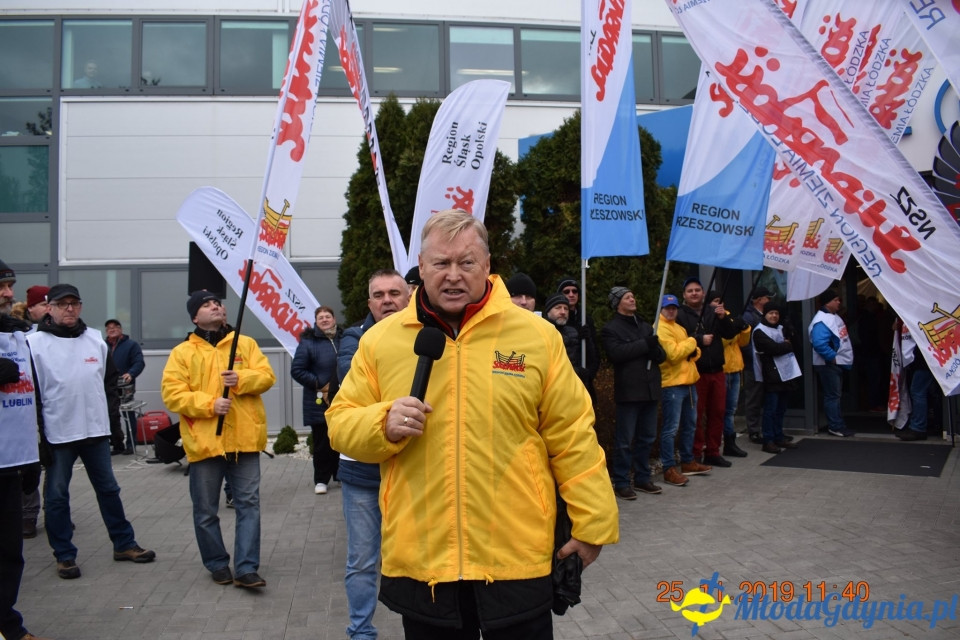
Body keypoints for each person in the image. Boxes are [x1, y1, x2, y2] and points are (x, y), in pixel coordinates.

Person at [328, 210, 618, 638]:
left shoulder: (535, 337)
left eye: (466, 263)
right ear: (421, 269)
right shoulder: (381, 341)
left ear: (486, 266)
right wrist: (381, 424)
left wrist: (592, 524)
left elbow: (572, 435)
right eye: (440, 263)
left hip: (515, 554)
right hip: (422, 559)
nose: (453, 275)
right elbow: (339, 423)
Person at [27, 283, 155, 580]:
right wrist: (39, 436)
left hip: (95, 431)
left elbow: (110, 383)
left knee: (109, 489)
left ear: (81, 307)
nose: (69, 309)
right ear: (50, 308)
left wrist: (110, 422)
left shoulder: (94, 339)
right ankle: (64, 555)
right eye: (62, 304)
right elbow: (32, 393)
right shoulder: (34, 343)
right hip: (58, 434)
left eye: (74, 303)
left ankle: (124, 544)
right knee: (57, 496)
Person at [161, 290, 276, 589]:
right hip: (205, 442)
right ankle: (216, 562)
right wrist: (210, 405)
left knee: (248, 505)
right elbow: (173, 394)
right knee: (205, 509)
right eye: (206, 305)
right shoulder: (182, 353)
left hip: (245, 441)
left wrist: (242, 380)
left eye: (218, 303)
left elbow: (266, 376)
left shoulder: (245, 343)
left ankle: (247, 567)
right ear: (194, 317)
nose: (215, 307)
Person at [335, 268, 411, 640]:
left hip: (411, 470)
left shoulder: (427, 337)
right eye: (378, 295)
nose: (387, 301)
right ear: (369, 303)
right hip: (363, 474)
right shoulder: (354, 338)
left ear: (408, 296)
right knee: (363, 561)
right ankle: (361, 631)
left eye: (394, 293)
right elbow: (351, 376)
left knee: (418, 557)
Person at [0, 261, 49, 640]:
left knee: (10, 554)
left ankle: (8, 625)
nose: (8, 294)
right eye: (1, 286)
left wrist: (34, 453)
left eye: (10, 286)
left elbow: (32, 397)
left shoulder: (18, 336)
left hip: (12, 462)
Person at [601, 286, 666, 498]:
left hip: (649, 390)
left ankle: (642, 478)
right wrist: (644, 345)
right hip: (629, 392)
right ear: (617, 302)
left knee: (647, 438)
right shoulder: (611, 329)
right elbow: (617, 353)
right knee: (624, 440)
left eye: (632, 296)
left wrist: (655, 350)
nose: (632, 299)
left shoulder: (646, 326)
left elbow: (660, 355)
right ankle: (621, 481)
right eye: (627, 297)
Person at [677, 277, 740, 468]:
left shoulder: (715, 311)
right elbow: (679, 339)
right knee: (696, 414)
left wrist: (723, 318)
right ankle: (695, 453)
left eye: (697, 290)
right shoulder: (679, 314)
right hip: (697, 372)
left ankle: (713, 451)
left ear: (704, 293)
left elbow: (730, 333)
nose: (694, 293)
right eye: (690, 291)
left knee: (718, 412)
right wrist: (698, 339)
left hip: (718, 370)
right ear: (684, 295)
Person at [658, 294, 710, 487]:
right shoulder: (660, 328)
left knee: (690, 424)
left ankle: (688, 462)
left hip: (689, 383)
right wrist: (692, 342)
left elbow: (694, 355)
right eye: (667, 308)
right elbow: (673, 355)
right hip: (672, 384)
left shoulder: (678, 328)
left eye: (674, 308)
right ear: (661, 309)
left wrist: (689, 347)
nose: (671, 311)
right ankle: (668, 469)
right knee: (671, 429)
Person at [291, 305, 342, 495]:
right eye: (321, 318)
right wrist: (319, 383)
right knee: (322, 442)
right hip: (318, 401)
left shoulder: (344, 339)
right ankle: (321, 479)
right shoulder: (308, 342)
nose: (325, 320)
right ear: (316, 322)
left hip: (343, 399)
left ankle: (339, 475)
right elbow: (297, 370)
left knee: (341, 437)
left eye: (328, 316)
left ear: (334, 319)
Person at [19, 285, 48, 539]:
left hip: (48, 408)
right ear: (31, 308)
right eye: (44, 305)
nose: (49, 309)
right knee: (28, 465)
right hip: (24, 406)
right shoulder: (19, 334)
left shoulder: (57, 334)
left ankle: (56, 511)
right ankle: (28, 515)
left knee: (53, 463)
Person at [752, 302, 801, 454]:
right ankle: (768, 440)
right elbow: (773, 349)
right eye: (771, 313)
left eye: (776, 313)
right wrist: (786, 345)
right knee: (770, 410)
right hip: (771, 376)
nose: (774, 316)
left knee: (781, 409)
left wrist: (789, 336)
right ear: (765, 314)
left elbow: (796, 344)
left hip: (785, 374)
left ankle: (779, 436)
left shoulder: (781, 329)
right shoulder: (759, 331)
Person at [809, 289, 855, 437]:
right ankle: (835, 426)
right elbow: (819, 343)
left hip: (833, 363)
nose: (839, 302)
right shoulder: (822, 320)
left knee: (835, 395)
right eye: (836, 299)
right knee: (833, 396)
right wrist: (833, 358)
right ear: (827, 302)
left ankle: (837, 424)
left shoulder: (831, 317)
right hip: (828, 364)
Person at [555, 277, 600, 404]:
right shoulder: (556, 320)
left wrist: (590, 374)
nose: (571, 294)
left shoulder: (585, 318)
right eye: (567, 291)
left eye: (575, 291)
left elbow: (595, 352)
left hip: (585, 382)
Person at [104, 319, 145, 455]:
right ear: (106, 332)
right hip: (106, 386)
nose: (112, 329)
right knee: (110, 415)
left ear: (121, 329)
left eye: (115, 326)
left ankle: (131, 444)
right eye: (109, 328)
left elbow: (139, 362)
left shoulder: (131, 345)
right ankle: (117, 445)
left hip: (124, 386)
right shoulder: (102, 346)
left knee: (128, 414)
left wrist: (131, 373)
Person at [543, 293, 598, 392]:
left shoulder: (573, 331)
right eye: (558, 308)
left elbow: (589, 358)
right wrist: (576, 372)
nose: (563, 312)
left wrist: (587, 341)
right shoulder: (543, 332)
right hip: (552, 391)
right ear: (548, 311)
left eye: (566, 308)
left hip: (575, 390)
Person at [742, 287, 773, 444]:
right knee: (753, 398)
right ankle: (753, 430)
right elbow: (745, 343)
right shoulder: (748, 317)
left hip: (765, 364)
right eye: (767, 298)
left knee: (765, 396)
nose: (769, 301)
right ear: (759, 300)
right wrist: (756, 355)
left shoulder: (763, 316)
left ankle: (766, 428)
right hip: (752, 364)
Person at [720, 315, 751, 458]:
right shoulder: (710, 319)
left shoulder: (729, 317)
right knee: (720, 410)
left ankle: (730, 443)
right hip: (723, 370)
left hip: (736, 369)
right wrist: (732, 331)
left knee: (731, 410)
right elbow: (719, 342)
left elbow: (743, 343)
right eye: (715, 301)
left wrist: (745, 329)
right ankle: (719, 443)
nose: (718, 304)